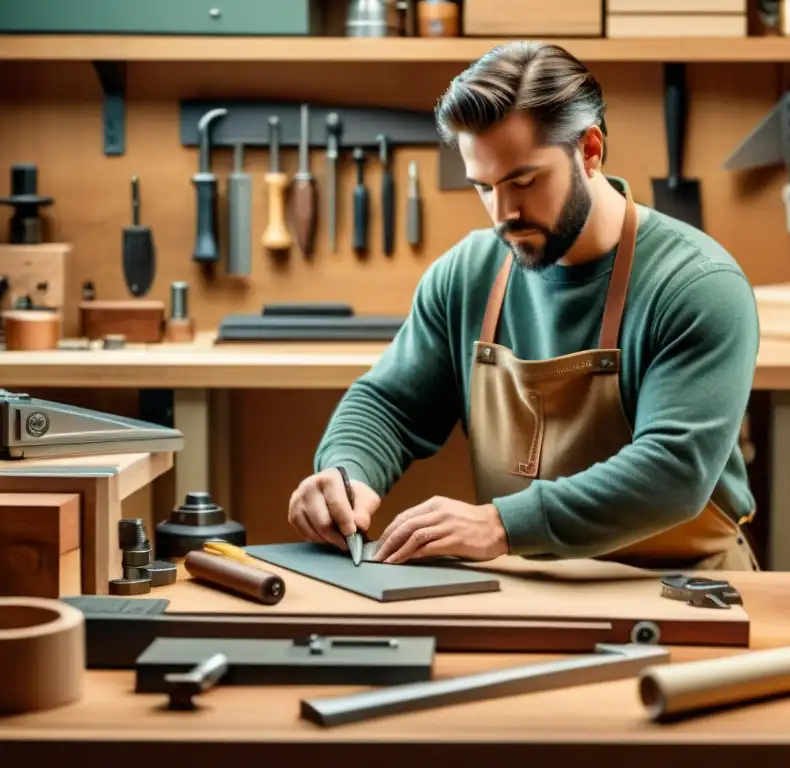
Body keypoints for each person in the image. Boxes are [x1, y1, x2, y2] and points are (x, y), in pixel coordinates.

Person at [288, 41, 761, 570]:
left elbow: (674, 472)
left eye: (524, 181)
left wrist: (500, 523)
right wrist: (346, 471)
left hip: (684, 589)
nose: (503, 213)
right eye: (483, 187)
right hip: (524, 583)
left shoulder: (696, 284)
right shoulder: (466, 274)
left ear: (589, 150)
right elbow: (390, 405)